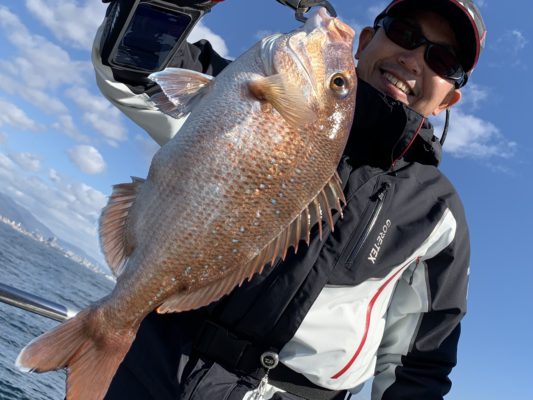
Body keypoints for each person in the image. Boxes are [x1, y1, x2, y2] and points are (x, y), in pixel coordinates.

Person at [92, 0, 487, 399]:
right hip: (152, 362)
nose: (413, 59)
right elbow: (133, 66)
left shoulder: (437, 212)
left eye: (442, 60)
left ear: (447, 101)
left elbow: (419, 365)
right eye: (404, 33)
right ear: (366, 41)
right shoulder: (243, 89)